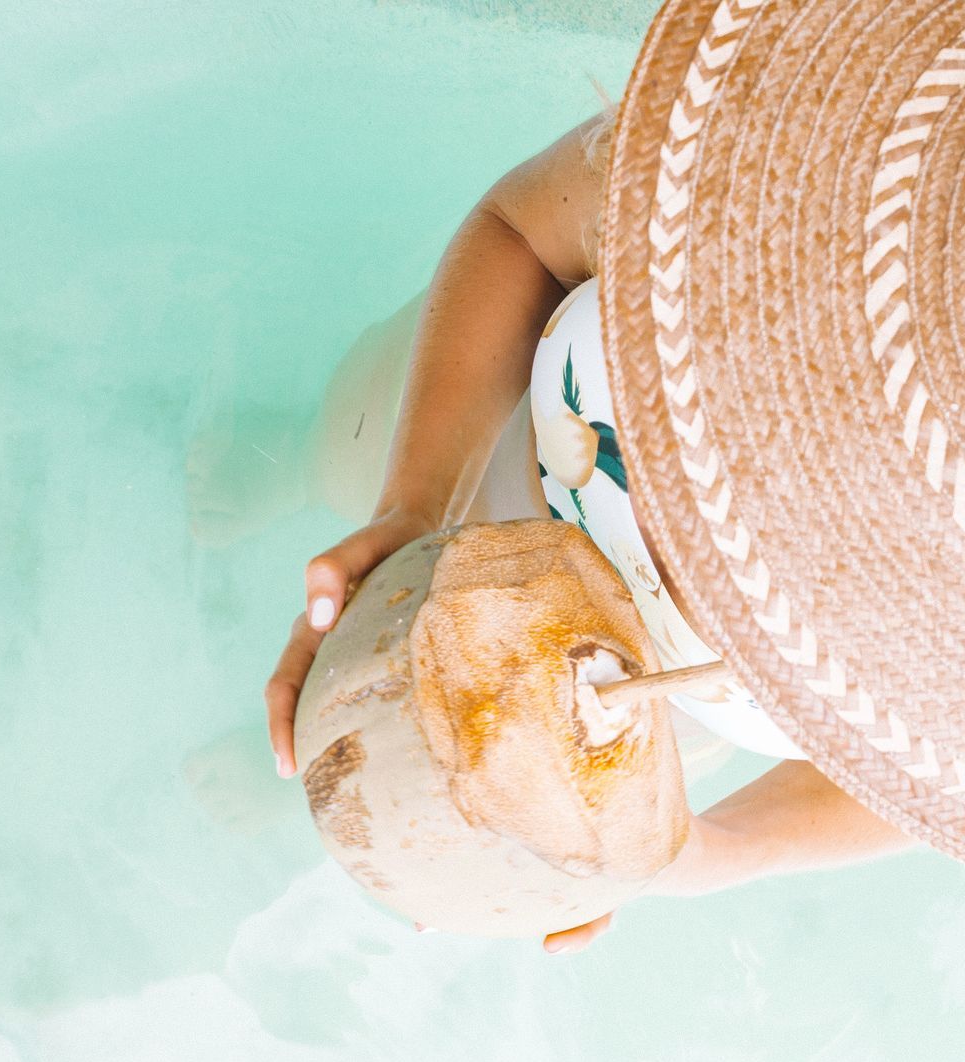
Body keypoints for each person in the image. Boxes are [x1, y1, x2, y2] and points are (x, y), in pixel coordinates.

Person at [264, 106, 913, 955]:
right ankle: (286, 465)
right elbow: (520, 233)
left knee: (421, 785)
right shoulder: (781, 183)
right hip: (487, 438)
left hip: (665, 715)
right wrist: (415, 503)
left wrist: (705, 848)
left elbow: (948, 794)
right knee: (337, 443)